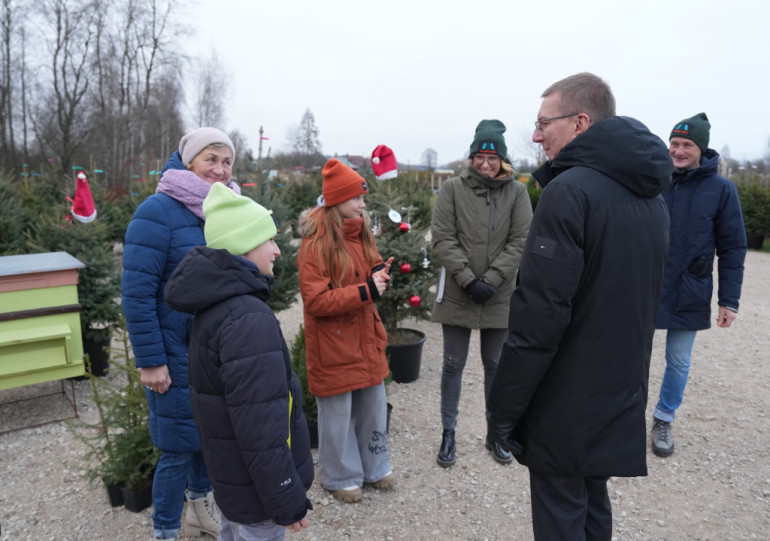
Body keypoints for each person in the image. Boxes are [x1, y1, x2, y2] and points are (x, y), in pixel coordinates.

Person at [487, 72, 672, 541]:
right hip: (617, 389)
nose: (534, 135)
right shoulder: (650, 197)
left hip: (566, 397)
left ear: (580, 122)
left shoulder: (568, 192)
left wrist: (503, 409)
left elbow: (538, 317)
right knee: (592, 502)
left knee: (561, 510)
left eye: (543, 122)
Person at [164, 182, 314, 540]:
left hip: (236, 482)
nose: (278, 251)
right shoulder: (248, 319)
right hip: (259, 492)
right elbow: (261, 425)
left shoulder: (217, 307)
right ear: (244, 246)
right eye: (270, 241)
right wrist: (284, 496)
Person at [122, 127, 239, 540]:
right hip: (172, 353)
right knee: (175, 449)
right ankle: (165, 530)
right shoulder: (158, 210)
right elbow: (137, 293)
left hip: (212, 352)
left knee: (207, 436)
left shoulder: (227, 211)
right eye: (211, 159)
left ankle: (201, 510)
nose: (220, 170)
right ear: (189, 161)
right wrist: (151, 360)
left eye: (226, 162)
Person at [430, 119, 532, 468]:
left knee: (496, 365)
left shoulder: (517, 193)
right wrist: (468, 279)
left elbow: (520, 241)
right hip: (460, 290)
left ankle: (496, 433)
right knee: (453, 363)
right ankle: (448, 433)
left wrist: (492, 279)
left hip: (500, 294)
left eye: (492, 158)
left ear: (502, 160)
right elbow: (443, 237)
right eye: (479, 157)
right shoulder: (452, 190)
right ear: (472, 157)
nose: (485, 164)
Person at [297, 158, 395, 504]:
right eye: (356, 198)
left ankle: (375, 465)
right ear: (338, 200)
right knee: (337, 413)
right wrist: (366, 291)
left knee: (373, 404)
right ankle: (340, 475)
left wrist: (379, 273)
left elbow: (366, 272)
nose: (363, 204)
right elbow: (316, 300)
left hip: (365, 337)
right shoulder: (315, 244)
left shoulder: (360, 233)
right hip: (334, 345)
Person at [651, 113, 747, 458]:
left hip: (688, 287)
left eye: (686, 145)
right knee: (630, 355)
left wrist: (729, 299)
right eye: (674, 144)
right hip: (644, 285)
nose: (678, 151)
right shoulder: (652, 179)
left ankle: (663, 418)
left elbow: (733, 246)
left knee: (678, 360)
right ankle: (622, 417)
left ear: (700, 149)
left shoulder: (721, 190)